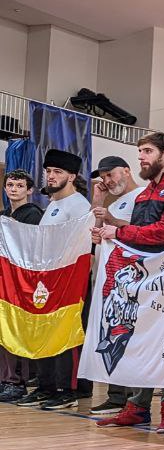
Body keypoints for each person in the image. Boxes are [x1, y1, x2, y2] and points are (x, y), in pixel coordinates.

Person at [94, 132, 164, 431]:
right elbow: (140, 232)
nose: (141, 157)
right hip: (145, 276)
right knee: (140, 337)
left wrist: (119, 232)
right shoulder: (145, 193)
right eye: (140, 151)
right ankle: (137, 406)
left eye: (147, 151)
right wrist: (112, 227)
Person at [14, 151, 93, 410]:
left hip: (69, 279)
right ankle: (46, 385)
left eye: (58, 172)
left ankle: (68, 389)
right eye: (48, 171)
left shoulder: (78, 205)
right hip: (48, 279)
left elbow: (83, 246)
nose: (51, 176)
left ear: (71, 176)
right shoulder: (52, 206)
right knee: (45, 329)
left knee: (67, 333)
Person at [84, 156, 147, 415]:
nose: (107, 181)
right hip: (107, 279)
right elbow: (95, 235)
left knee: (128, 335)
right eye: (104, 177)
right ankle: (116, 395)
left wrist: (111, 219)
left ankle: (132, 399)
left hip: (130, 279)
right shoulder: (114, 202)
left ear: (127, 171)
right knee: (111, 334)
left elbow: (144, 232)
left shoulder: (142, 196)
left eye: (111, 174)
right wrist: (98, 203)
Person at [0, 170, 43, 403]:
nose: (14, 189)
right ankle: (5, 378)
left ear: (29, 190)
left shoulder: (33, 214)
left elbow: (31, 247)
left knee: (16, 331)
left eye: (19, 185)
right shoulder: (3, 215)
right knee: (2, 331)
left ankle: (17, 382)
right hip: (3, 280)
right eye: (10, 185)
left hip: (21, 281)